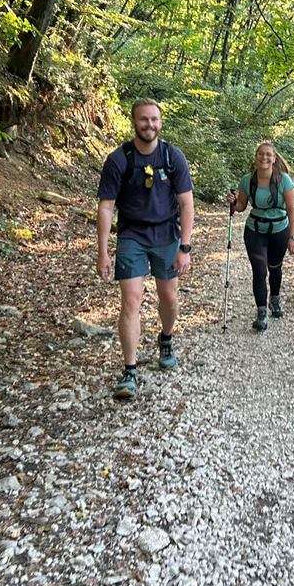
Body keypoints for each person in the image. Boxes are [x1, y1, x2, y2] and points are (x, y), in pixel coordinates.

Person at [96, 99, 194, 401]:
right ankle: (129, 370)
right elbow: (106, 206)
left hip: (166, 235)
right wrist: (103, 251)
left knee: (169, 297)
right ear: (133, 122)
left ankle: (166, 339)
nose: (149, 125)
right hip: (132, 236)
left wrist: (185, 247)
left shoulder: (172, 156)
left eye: (154, 120)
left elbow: (186, 202)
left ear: (160, 123)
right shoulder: (118, 160)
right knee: (131, 301)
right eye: (143, 119)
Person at [231, 142, 294, 332]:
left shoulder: (284, 180)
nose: (264, 157)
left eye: (268, 155)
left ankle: (274, 299)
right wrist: (233, 203)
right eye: (261, 154)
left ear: (274, 158)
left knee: (274, 268)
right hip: (255, 230)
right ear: (256, 157)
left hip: (279, 230)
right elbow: (241, 206)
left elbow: (292, 211)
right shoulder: (247, 180)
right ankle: (261, 312)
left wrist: (293, 237)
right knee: (259, 271)